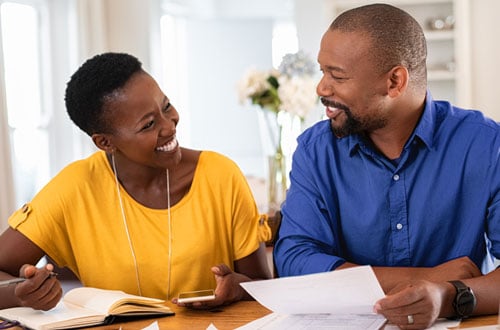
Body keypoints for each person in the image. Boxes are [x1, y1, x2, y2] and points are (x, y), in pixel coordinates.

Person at [273, 3, 499, 329]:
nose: (321, 88)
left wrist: (447, 297)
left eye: (337, 75)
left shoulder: (486, 145)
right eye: (322, 72)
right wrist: (426, 279)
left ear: (394, 81)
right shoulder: (315, 149)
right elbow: (295, 259)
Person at [0, 52, 271, 311]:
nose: (169, 126)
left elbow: (262, 287)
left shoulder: (220, 175)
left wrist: (235, 289)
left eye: (166, 106)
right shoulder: (74, 188)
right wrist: (20, 293)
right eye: (148, 125)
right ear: (105, 142)